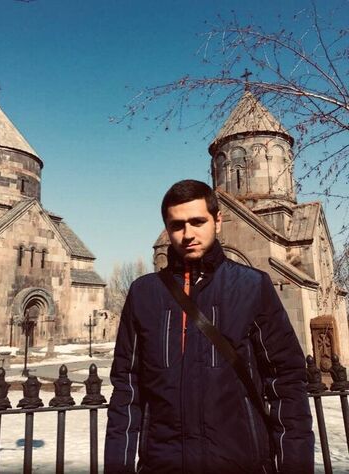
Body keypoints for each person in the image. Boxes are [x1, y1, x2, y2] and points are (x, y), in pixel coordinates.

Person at [104, 179, 314, 474]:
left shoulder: (252, 286)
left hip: (241, 463)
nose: (188, 234)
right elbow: (127, 389)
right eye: (177, 225)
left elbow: (286, 381)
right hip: (164, 464)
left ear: (218, 220)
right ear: (167, 228)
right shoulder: (144, 293)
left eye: (197, 221)